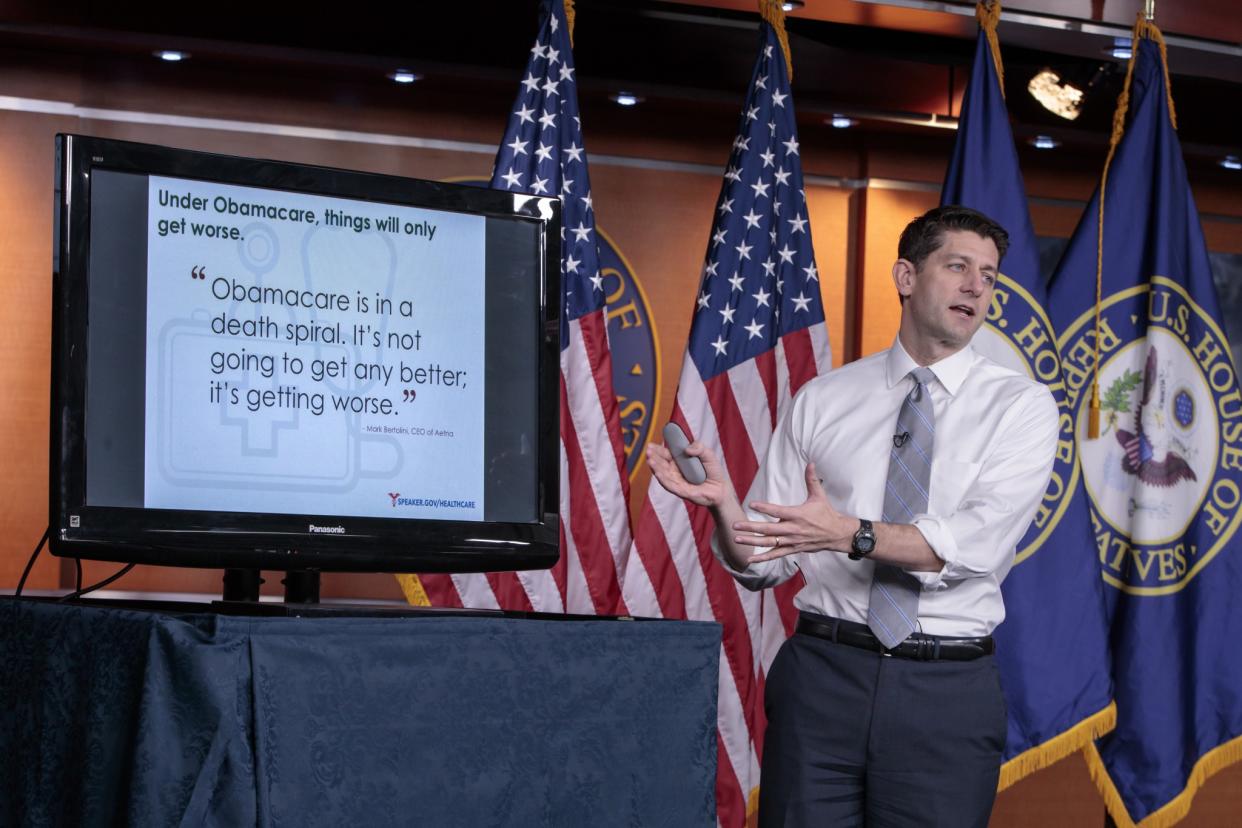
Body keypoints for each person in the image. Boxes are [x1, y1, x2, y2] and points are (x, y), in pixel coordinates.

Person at [648, 205, 1058, 827]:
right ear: (906, 276)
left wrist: (849, 534)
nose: (977, 287)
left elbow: (971, 545)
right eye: (957, 266)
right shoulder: (825, 399)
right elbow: (763, 562)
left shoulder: (1022, 408)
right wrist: (725, 508)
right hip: (823, 679)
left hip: (944, 690)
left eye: (990, 275)